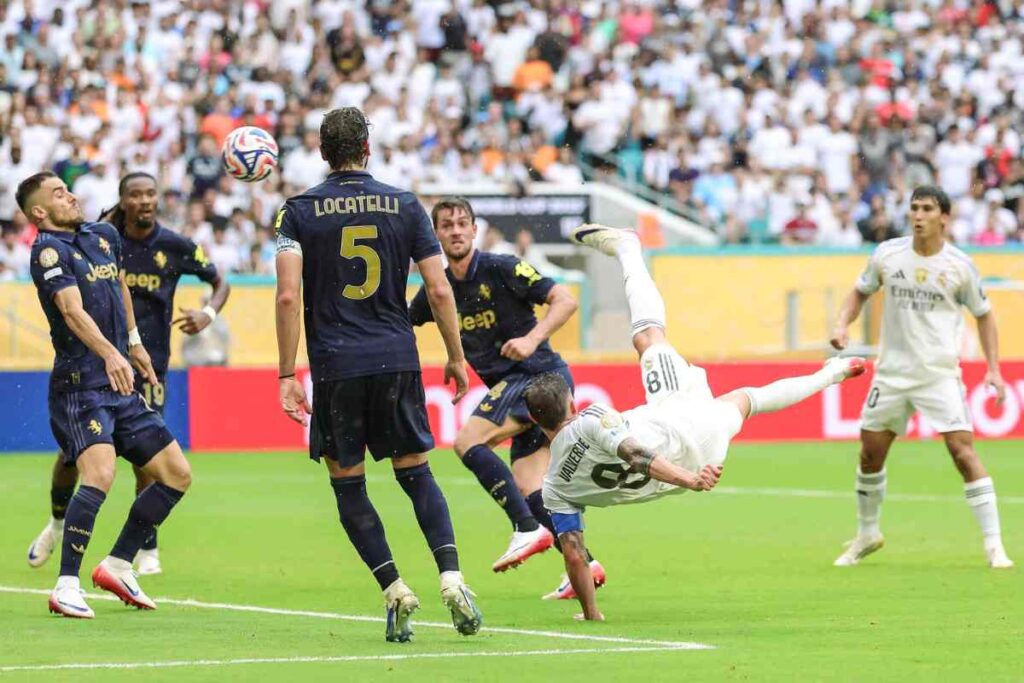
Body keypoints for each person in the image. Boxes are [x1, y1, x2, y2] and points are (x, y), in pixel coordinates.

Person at [525, 223, 866, 621]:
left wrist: (591, 612)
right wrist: (691, 480)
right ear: (571, 402)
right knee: (649, 337)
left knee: (744, 402)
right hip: (679, 421)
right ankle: (627, 248)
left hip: (702, 452)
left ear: (534, 421)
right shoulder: (589, 420)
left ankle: (832, 374)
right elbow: (636, 454)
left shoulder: (554, 488)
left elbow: (573, 552)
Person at [274, 108, 482, 643]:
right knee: (416, 473)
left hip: (337, 365)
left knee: (349, 485)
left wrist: (286, 372)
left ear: (323, 152)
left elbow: (288, 294)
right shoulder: (406, 204)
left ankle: (394, 589)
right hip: (397, 357)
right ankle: (453, 578)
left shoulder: (297, 212)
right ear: (368, 147)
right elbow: (438, 290)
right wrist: (456, 356)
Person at [26, 173, 230, 576]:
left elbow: (219, 280)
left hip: (147, 363)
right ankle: (58, 522)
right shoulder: (95, 236)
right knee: (73, 456)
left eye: (151, 193)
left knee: (149, 463)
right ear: (122, 201)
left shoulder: (174, 245)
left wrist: (207, 313)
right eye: (135, 195)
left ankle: (144, 548)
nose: (145, 201)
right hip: (92, 365)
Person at [409, 197, 604, 598]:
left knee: (467, 442)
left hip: (538, 377)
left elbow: (565, 300)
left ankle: (525, 528)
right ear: (437, 235)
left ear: (475, 229)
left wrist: (532, 339)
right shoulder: (437, 288)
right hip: (518, 386)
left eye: (463, 223)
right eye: (447, 225)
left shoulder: (501, 268)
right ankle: (585, 564)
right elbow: (398, 321)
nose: (457, 231)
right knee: (530, 486)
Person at [829, 185, 1013, 569]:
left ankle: (994, 545)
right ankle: (867, 534)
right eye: (914, 208)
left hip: (939, 375)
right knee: (870, 454)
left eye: (927, 208)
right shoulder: (888, 255)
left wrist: (994, 369)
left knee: (963, 452)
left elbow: (984, 315)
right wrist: (842, 324)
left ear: (944, 217)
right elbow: (859, 292)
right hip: (893, 373)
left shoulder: (959, 266)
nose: (918, 215)